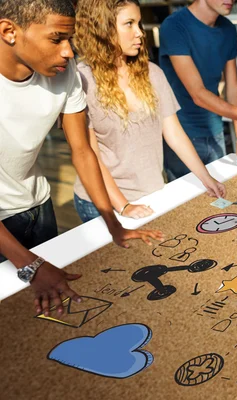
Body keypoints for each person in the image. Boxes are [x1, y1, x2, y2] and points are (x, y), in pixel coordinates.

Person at [0, 0, 162, 316]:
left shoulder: (64, 71)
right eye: (56, 38)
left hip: (39, 207)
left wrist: (114, 223)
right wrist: (30, 265)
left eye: (69, 40)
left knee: (48, 312)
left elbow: (83, 152)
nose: (69, 52)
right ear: (9, 31)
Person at [72, 0, 225, 223]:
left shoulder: (153, 73)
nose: (139, 33)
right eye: (129, 24)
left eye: (139, 24)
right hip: (100, 202)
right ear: (102, 28)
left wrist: (206, 177)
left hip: (151, 195)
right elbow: (89, 154)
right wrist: (123, 206)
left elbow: (173, 133)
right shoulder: (81, 81)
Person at [159, 0, 237, 181]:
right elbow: (198, 94)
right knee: (188, 204)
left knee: (219, 200)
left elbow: (232, 86)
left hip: (215, 131)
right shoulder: (174, 26)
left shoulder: (227, 29)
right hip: (181, 134)